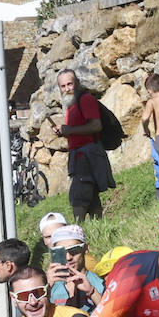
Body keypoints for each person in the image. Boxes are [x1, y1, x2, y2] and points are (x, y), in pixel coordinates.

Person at [54, 69, 114, 222]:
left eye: (70, 84)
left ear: (77, 83)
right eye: (63, 86)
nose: (67, 88)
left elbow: (96, 126)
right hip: (80, 154)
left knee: (78, 194)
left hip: (87, 155)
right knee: (91, 194)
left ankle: (78, 227)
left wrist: (69, 130)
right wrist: (64, 131)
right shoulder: (72, 104)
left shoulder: (85, 99)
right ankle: (97, 229)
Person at [45, 225, 104, 310]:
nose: (68, 257)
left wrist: (92, 292)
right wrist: (46, 288)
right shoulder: (51, 285)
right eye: (62, 252)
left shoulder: (99, 284)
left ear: (85, 249)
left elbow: (111, 316)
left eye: (74, 250)